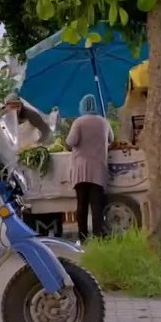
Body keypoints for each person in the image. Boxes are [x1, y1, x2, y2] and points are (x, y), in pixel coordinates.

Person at [66, 94, 114, 243]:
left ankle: (83, 237)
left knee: (82, 205)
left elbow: (71, 141)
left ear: (82, 106)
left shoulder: (79, 122)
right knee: (96, 205)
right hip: (98, 168)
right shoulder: (104, 122)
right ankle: (99, 237)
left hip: (81, 169)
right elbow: (111, 139)